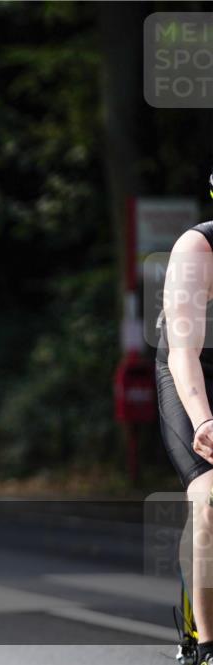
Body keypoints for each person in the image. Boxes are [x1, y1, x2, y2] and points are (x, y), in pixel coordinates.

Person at [156, 170, 213, 665]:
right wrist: (203, 420)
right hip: (193, 374)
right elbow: (183, 352)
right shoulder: (197, 249)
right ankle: (208, 643)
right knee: (209, 496)